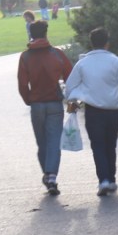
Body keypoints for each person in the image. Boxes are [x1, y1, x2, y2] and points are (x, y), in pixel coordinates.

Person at [64, 27, 118, 196]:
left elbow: (69, 87)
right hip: (112, 110)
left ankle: (103, 180)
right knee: (110, 145)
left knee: (98, 146)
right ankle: (111, 179)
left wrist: (77, 97)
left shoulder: (83, 63)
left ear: (91, 43)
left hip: (93, 111)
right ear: (107, 43)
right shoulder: (115, 61)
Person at [17, 19, 73, 195]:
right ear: (46, 33)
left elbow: (22, 84)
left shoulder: (25, 57)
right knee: (54, 142)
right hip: (54, 103)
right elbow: (70, 77)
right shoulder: (57, 54)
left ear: (31, 34)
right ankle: (52, 176)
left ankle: (47, 174)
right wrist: (71, 98)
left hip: (36, 104)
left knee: (42, 143)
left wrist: (29, 99)